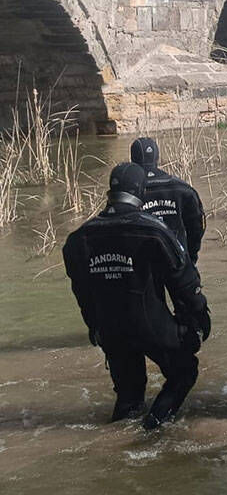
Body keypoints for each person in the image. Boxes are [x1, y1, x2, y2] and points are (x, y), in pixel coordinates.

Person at [62, 163, 211, 429]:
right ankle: (153, 430)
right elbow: (184, 282)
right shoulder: (154, 231)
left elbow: (81, 293)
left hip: (110, 329)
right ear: (140, 191)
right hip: (151, 325)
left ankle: (121, 446)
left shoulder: (79, 238)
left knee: (129, 397)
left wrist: (94, 327)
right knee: (184, 370)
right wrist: (199, 316)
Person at [131, 137, 206, 261]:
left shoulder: (129, 192)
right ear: (157, 158)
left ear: (132, 160)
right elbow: (198, 226)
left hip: (143, 267)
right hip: (178, 263)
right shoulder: (183, 189)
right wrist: (190, 256)